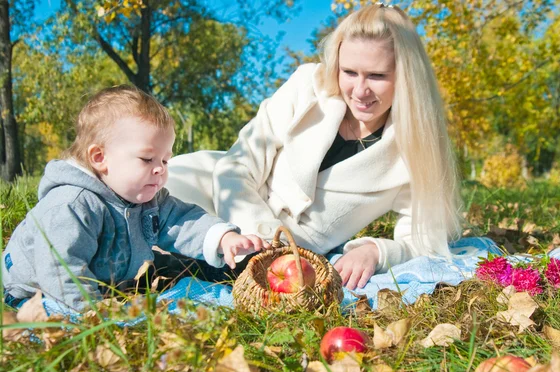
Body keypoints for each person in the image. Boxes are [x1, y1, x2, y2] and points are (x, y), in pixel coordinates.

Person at [166, 4, 462, 291]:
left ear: (406, 76)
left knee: (176, 266)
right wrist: (262, 241)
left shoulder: (416, 147)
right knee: (146, 209)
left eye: (377, 76)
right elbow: (236, 167)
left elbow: (424, 239)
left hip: (292, 263)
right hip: (217, 196)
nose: (360, 91)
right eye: (349, 72)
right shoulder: (307, 84)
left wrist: (376, 251)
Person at [2, 86, 268, 311]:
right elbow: (61, 270)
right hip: (38, 293)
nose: (160, 169)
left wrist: (223, 238)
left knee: (180, 284)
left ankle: (221, 295)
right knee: (54, 314)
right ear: (100, 158)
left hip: (110, 284)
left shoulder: (147, 199)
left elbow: (183, 220)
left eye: (165, 160)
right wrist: (91, 320)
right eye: (147, 158)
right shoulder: (71, 205)